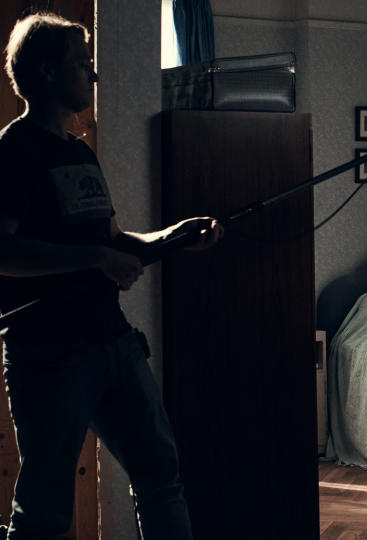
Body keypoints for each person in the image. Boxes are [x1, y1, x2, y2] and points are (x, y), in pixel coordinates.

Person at [0, 13, 223, 539]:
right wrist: (93, 261)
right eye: (83, 64)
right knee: (44, 514)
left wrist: (173, 235)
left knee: (160, 478)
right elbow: (2, 249)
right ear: (50, 72)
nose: (93, 76)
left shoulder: (80, 151)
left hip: (114, 344)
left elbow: (114, 241)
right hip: (48, 355)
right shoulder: (13, 151)